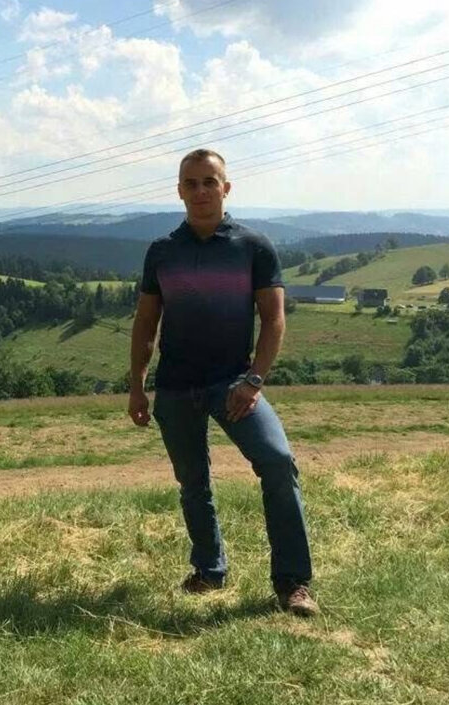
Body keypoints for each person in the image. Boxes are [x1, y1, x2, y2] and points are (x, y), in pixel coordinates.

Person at [127, 148, 318, 617]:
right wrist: (137, 385)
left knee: (277, 462)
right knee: (193, 483)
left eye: (209, 182)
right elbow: (146, 322)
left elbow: (274, 320)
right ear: (179, 191)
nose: (201, 191)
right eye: (191, 183)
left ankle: (293, 582)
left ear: (226, 188)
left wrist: (253, 381)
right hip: (176, 387)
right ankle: (209, 570)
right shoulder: (162, 252)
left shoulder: (254, 247)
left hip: (234, 383)